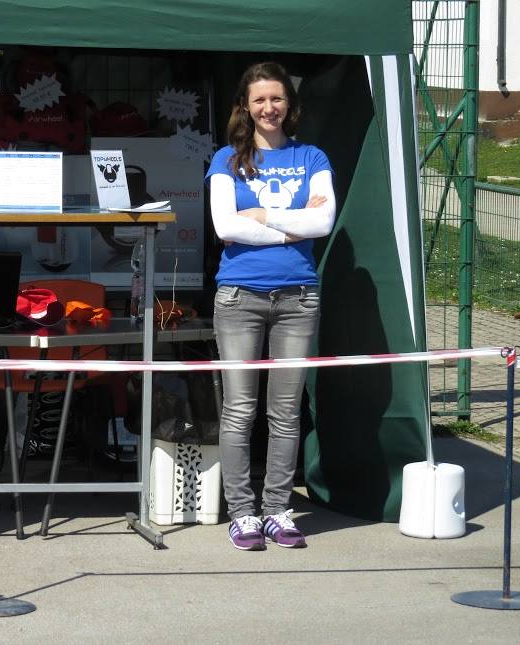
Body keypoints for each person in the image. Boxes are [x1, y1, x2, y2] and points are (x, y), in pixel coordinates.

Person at [204, 61, 336, 550]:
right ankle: (242, 513)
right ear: (245, 106)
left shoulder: (312, 157)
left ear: (290, 104)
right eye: (259, 99)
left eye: (277, 98)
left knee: (285, 412)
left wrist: (260, 214)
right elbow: (225, 226)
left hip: (299, 297)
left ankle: (278, 510)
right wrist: (291, 226)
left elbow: (323, 224)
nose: (269, 108)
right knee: (240, 410)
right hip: (240, 296)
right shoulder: (225, 159)